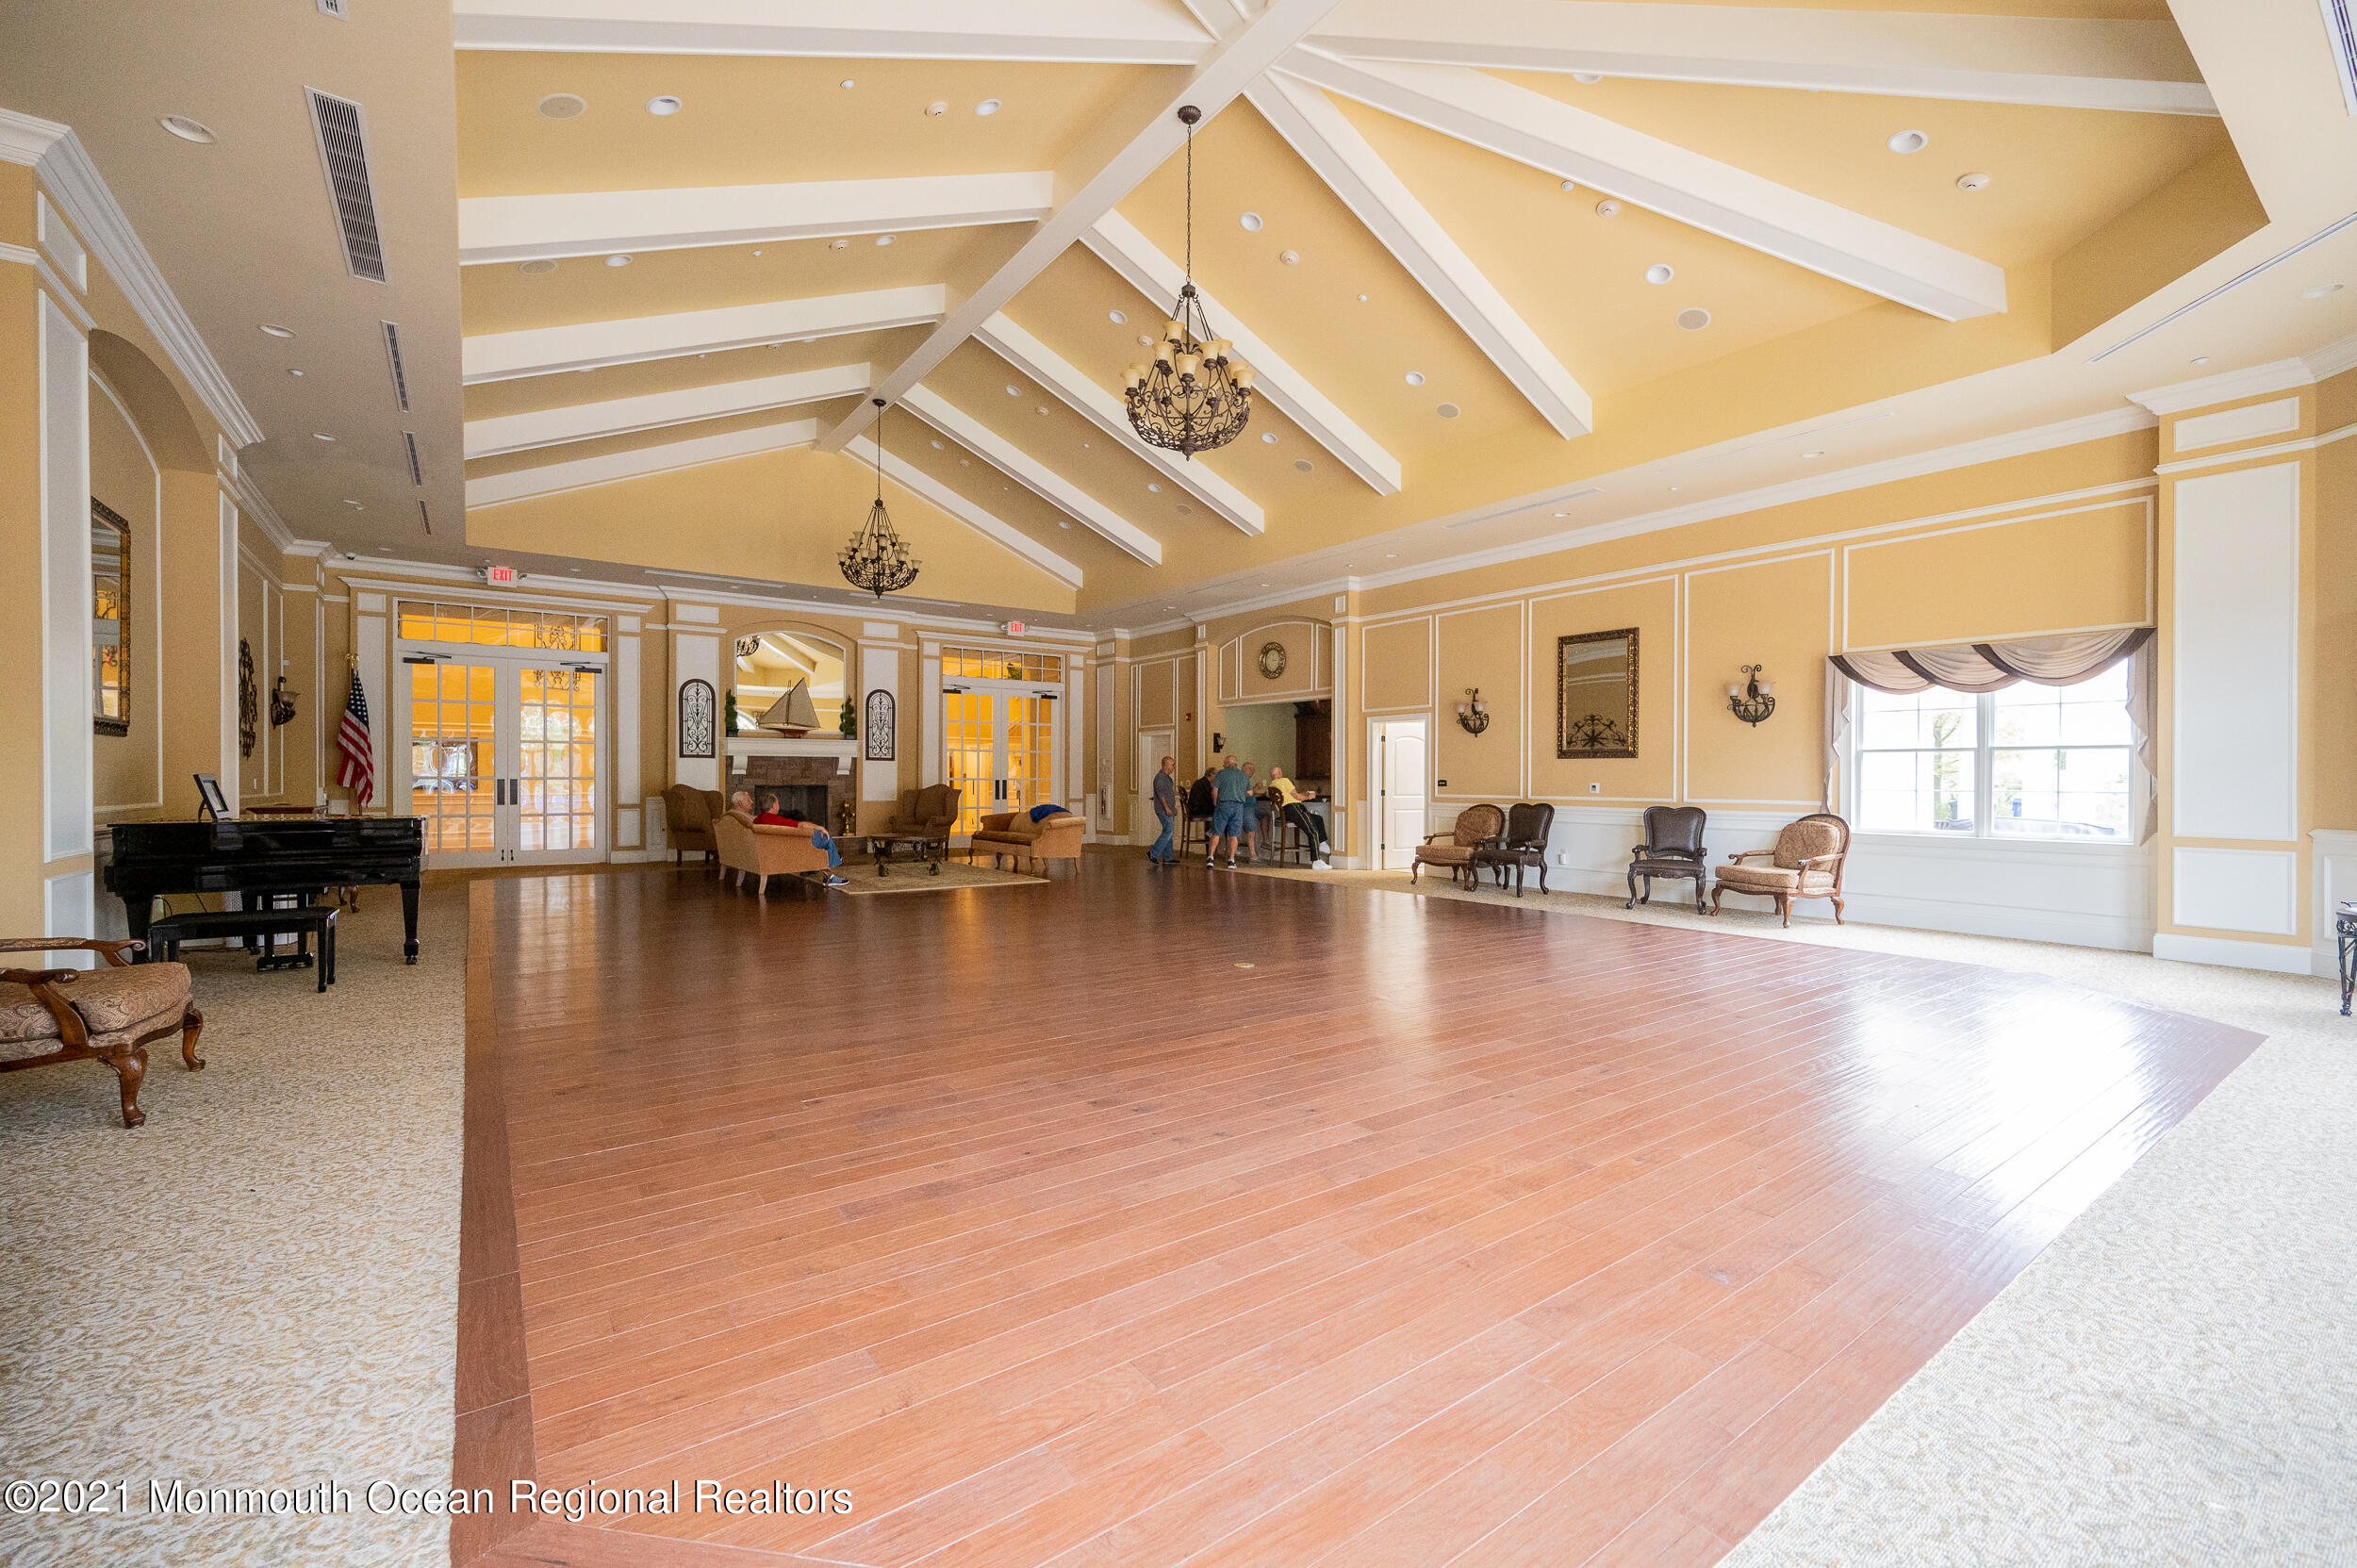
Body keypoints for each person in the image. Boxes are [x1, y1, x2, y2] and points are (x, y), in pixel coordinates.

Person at [754, 792, 849, 887]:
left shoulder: (757, 820)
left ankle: (828, 861)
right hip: (792, 850)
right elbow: (801, 825)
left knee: (819, 838)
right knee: (824, 836)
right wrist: (820, 827)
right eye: (778, 803)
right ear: (774, 806)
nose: (779, 805)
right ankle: (831, 869)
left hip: (773, 851)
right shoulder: (774, 819)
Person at [1267, 765, 1332, 869]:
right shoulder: (1284, 780)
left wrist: (1304, 794)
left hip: (1287, 812)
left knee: (1318, 819)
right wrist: (1309, 796)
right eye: (1281, 772)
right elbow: (1297, 797)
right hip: (1294, 808)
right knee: (1313, 831)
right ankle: (1316, 861)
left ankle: (1322, 843)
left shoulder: (1272, 786)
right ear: (1279, 773)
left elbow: (1293, 795)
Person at [1209, 754, 1253, 869]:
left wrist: (1215, 802)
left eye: (1224, 763)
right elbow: (1250, 793)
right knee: (1234, 835)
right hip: (1238, 807)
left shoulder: (1221, 773)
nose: (1223, 765)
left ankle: (1211, 858)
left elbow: (1214, 790)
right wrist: (1240, 795)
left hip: (1223, 805)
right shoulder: (1244, 776)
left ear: (1228, 763)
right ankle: (1231, 860)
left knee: (1216, 832)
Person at [1148, 755, 1179, 865]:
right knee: (1168, 831)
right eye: (1172, 765)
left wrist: (1173, 808)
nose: (1174, 767)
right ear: (1165, 765)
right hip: (1163, 810)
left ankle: (1168, 858)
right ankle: (1153, 853)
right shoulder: (1160, 778)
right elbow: (1161, 795)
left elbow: (1168, 795)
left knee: (1169, 832)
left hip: (1168, 809)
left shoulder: (1168, 778)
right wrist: (1167, 808)